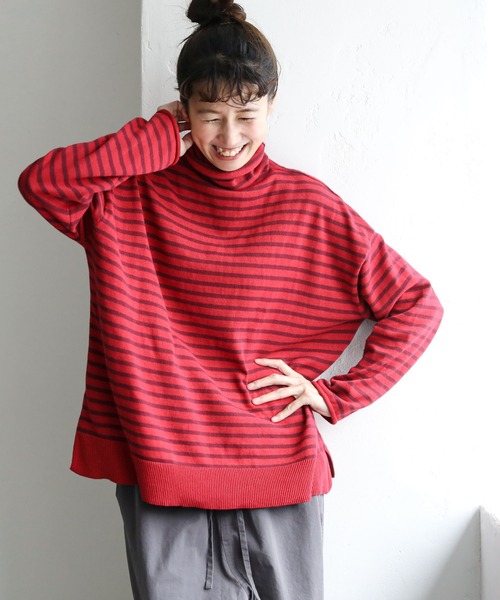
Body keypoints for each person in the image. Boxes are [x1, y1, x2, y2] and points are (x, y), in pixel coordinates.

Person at [17, 0, 443, 598]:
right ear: (183, 110)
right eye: (210, 115)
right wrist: (154, 137)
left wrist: (333, 395)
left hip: (275, 464)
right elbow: (43, 183)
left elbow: (417, 305)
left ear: (272, 105)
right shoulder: (125, 198)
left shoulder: (307, 206)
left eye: (246, 114)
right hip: (159, 462)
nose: (229, 136)